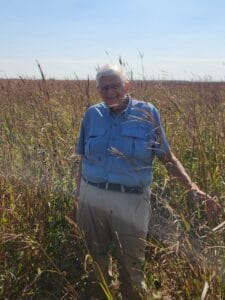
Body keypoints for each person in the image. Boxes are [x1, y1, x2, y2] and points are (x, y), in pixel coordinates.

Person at [75, 64, 220, 299]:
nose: (110, 92)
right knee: (97, 256)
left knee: (132, 263)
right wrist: (78, 194)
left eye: (115, 86)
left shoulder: (147, 113)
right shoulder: (92, 114)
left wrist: (192, 187)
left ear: (127, 86)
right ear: (98, 90)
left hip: (131, 200)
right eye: (104, 88)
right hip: (92, 197)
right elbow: (82, 158)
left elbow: (166, 157)